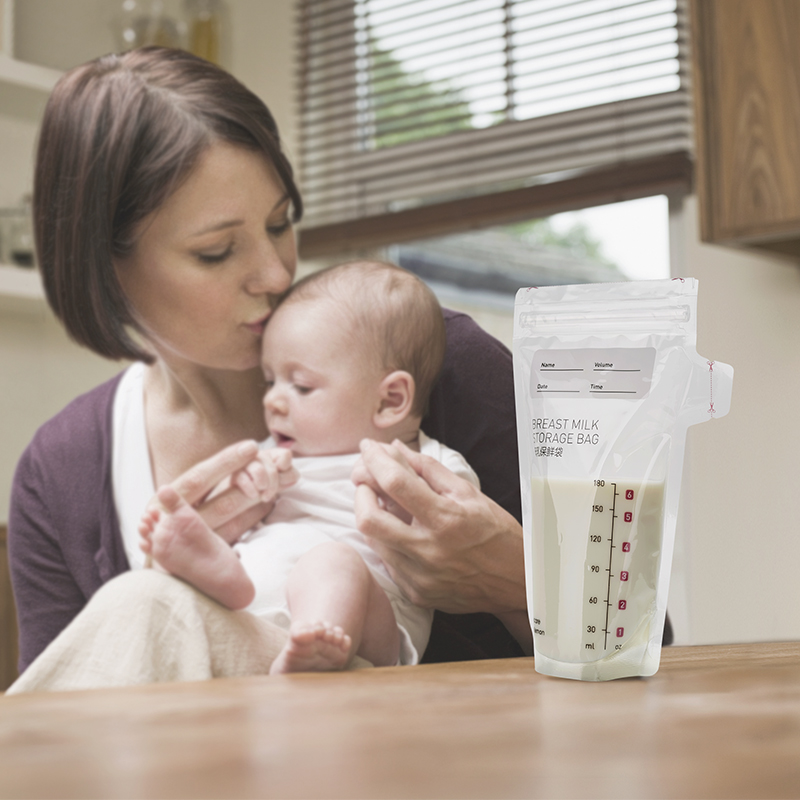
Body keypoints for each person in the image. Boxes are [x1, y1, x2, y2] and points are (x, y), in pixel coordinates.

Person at [4, 45, 531, 694]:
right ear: (106, 267)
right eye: (216, 251)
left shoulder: (427, 366)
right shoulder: (58, 477)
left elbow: (646, 639)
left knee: (146, 606)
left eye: (282, 224)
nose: (278, 274)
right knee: (147, 604)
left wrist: (513, 578)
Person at [140, 260, 480, 673]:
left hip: (366, 621)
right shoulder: (274, 453)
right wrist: (245, 483)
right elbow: (235, 504)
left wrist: (411, 510)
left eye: (300, 385)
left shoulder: (427, 464)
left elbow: (460, 530)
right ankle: (218, 574)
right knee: (240, 551)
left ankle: (317, 642)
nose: (272, 401)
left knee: (333, 563)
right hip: (254, 602)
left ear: (390, 400)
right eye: (270, 382)